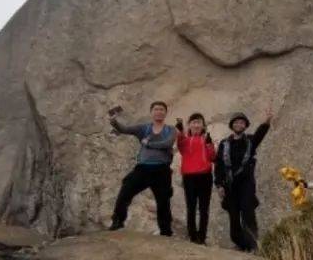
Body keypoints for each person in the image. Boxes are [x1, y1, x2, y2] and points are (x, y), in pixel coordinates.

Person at [107, 101, 177, 236]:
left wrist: (149, 143)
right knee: (126, 189)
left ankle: (166, 231)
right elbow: (124, 129)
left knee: (163, 201)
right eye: (156, 109)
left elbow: (167, 143)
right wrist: (113, 121)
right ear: (151, 112)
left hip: (162, 170)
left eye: (162, 109)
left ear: (166, 112)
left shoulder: (171, 130)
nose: (159, 112)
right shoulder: (143, 128)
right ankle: (117, 221)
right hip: (143, 169)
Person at [215, 109, 272, 251]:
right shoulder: (224, 144)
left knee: (248, 215)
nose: (239, 124)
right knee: (234, 219)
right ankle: (242, 245)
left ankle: (253, 246)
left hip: (246, 185)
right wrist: (219, 184)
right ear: (232, 125)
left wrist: (266, 123)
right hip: (230, 186)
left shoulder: (250, 141)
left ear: (245, 126)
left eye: (242, 122)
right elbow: (219, 165)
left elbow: (260, 135)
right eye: (236, 122)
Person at [175, 112, 216, 243]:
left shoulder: (207, 139)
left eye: (199, 122)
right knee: (191, 207)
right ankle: (192, 236)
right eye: (193, 122)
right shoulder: (185, 140)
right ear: (189, 125)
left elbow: (213, 157)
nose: (196, 125)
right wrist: (180, 130)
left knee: (204, 208)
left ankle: (202, 237)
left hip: (205, 176)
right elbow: (179, 141)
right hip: (189, 177)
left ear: (203, 126)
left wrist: (210, 145)